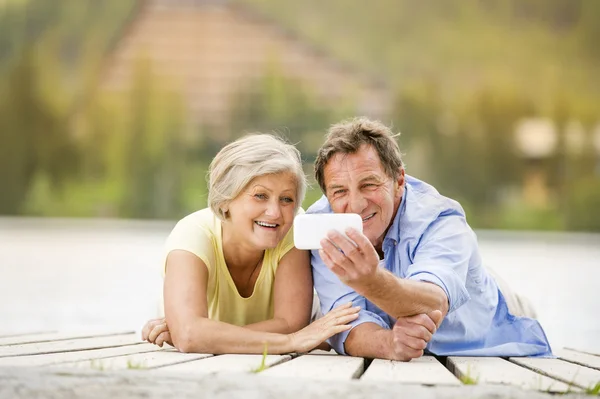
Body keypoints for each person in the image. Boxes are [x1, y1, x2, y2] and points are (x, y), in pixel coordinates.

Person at [309, 117, 552, 361]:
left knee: (504, 297)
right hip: (415, 303)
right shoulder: (320, 225)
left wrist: (370, 281)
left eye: (369, 185)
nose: (356, 204)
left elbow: (433, 302)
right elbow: (345, 323)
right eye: (339, 191)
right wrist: (390, 343)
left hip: (485, 315)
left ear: (399, 182)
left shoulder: (442, 218)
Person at [142, 134, 359, 354]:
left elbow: (291, 324)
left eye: (286, 199)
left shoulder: (292, 229)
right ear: (225, 200)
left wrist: (206, 335)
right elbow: (189, 335)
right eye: (260, 196)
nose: (275, 213)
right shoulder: (191, 235)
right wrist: (290, 342)